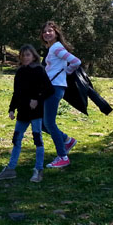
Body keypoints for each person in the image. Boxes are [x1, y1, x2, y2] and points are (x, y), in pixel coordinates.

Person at [0, 45, 54, 183]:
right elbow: (16, 92)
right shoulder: (20, 71)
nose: (25, 57)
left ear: (33, 56)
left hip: (36, 112)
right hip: (22, 111)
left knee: (37, 139)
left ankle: (38, 169)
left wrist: (37, 99)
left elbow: (49, 89)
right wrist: (11, 109)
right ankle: (10, 169)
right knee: (16, 139)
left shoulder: (39, 70)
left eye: (28, 55)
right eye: (22, 55)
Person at [41, 21, 81, 168]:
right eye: (44, 31)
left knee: (49, 123)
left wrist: (67, 72)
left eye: (50, 31)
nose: (47, 33)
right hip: (50, 87)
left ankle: (63, 157)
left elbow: (76, 61)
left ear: (56, 33)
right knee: (42, 123)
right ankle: (67, 140)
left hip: (55, 87)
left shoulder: (56, 48)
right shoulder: (52, 48)